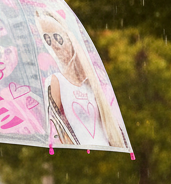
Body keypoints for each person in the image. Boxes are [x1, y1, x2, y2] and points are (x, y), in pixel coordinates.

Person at [35, 9, 127, 148]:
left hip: (105, 152)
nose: (53, 44)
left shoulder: (93, 83)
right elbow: (54, 132)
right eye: (47, 40)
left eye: (57, 38)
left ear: (69, 39)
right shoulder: (55, 82)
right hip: (81, 155)